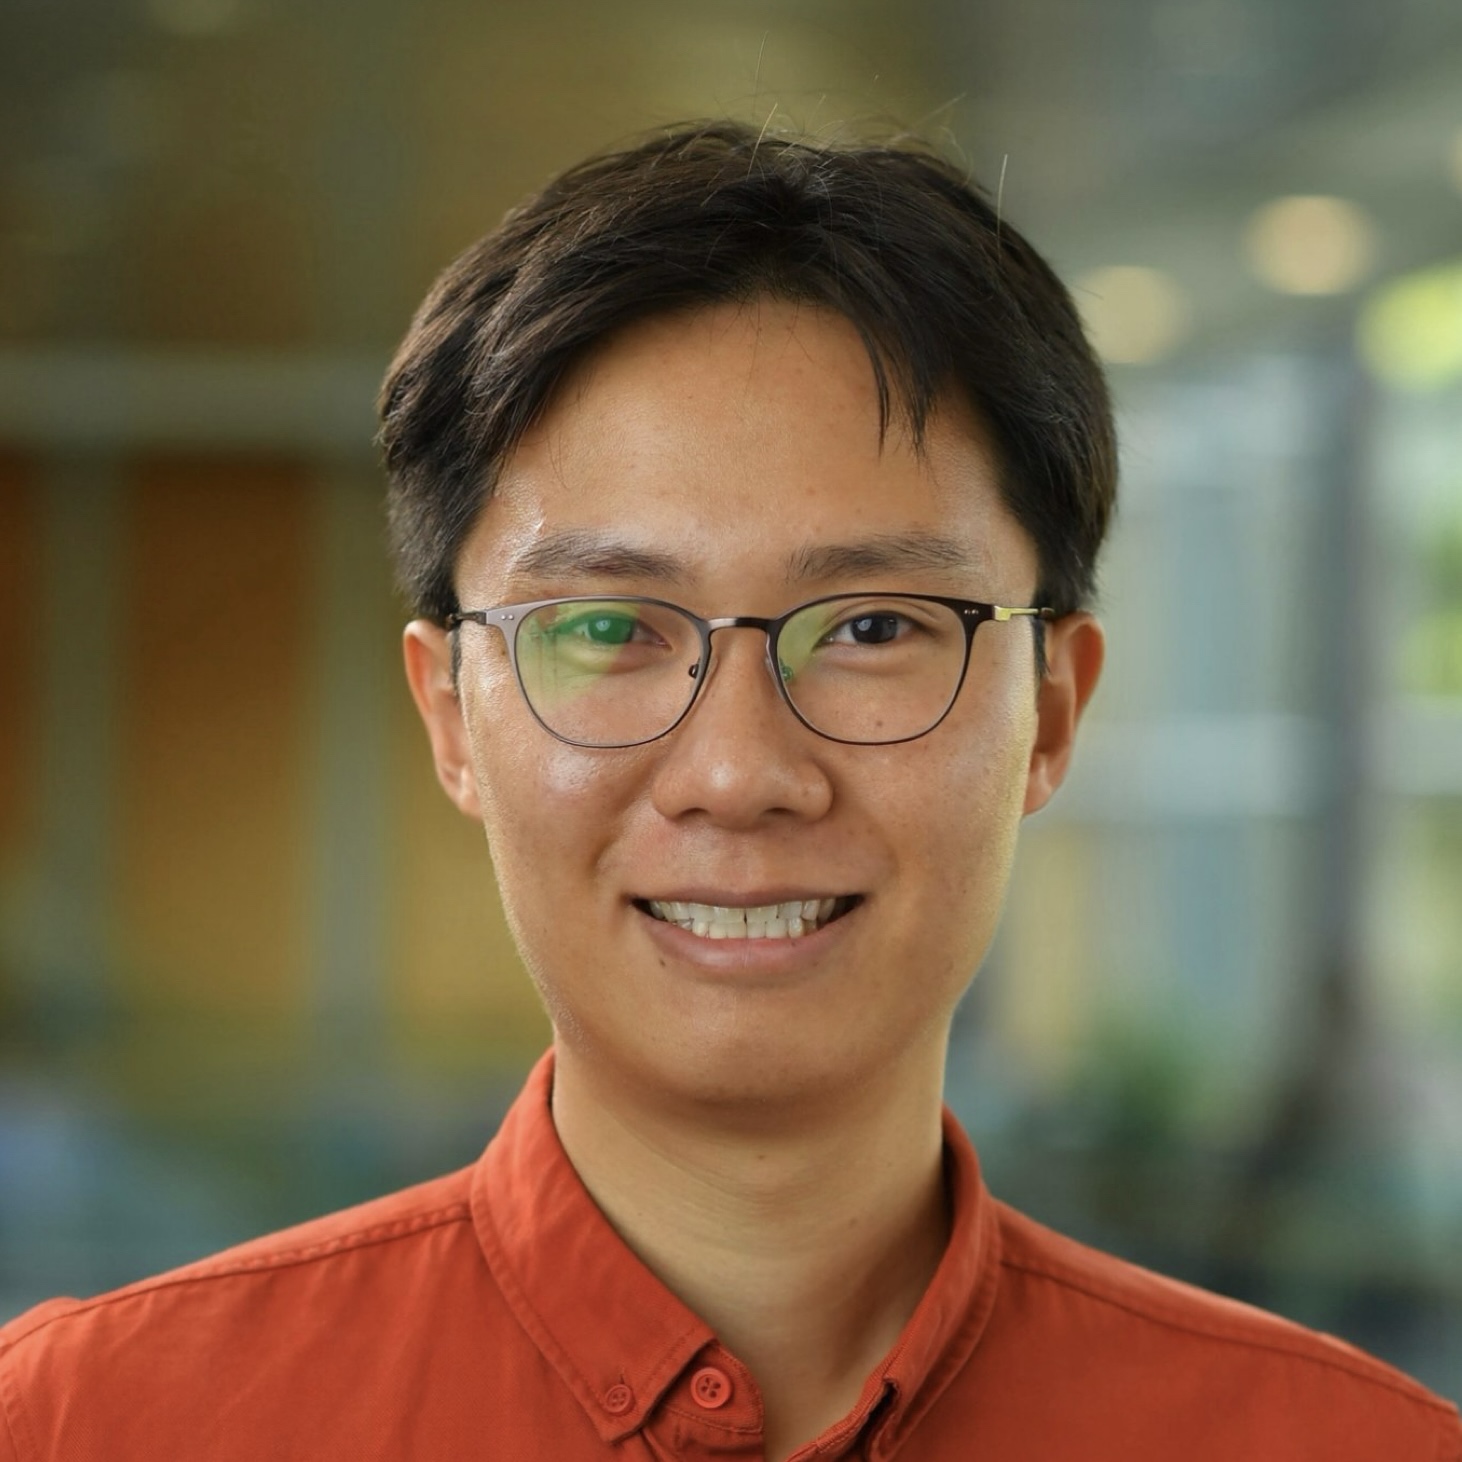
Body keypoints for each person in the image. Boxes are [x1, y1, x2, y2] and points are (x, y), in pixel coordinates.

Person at [0, 121, 1456, 1462]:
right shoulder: (91, 1423)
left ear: (1050, 712)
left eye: (875, 627)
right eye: (609, 629)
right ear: (451, 715)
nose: (739, 772)